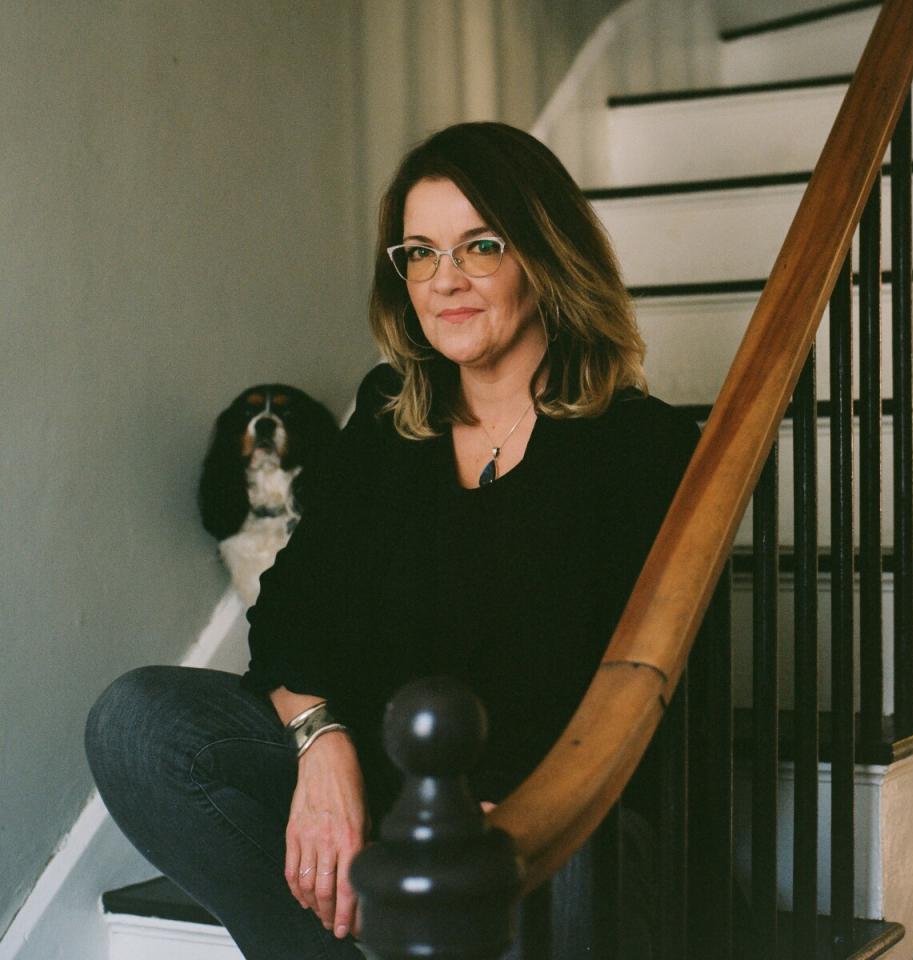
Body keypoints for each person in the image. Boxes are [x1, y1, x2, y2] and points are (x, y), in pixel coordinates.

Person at [86, 122, 699, 959]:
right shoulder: (387, 415)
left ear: (546, 257)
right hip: (383, 779)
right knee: (138, 724)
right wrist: (322, 744)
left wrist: (488, 823)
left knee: (559, 874)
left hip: (549, 817)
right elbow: (292, 614)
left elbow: (620, 696)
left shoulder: (641, 446)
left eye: (479, 246)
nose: (444, 281)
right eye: (418, 253)